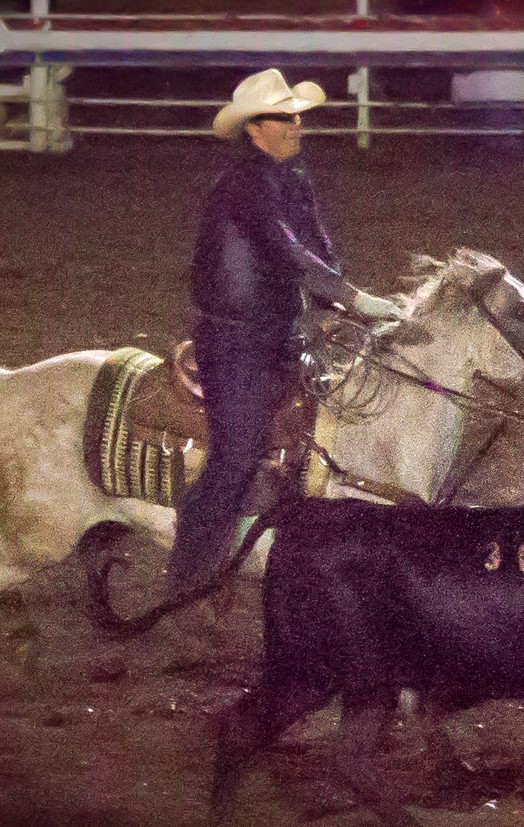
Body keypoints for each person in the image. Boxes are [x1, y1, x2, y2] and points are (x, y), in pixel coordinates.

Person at [165, 68, 403, 594]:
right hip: (233, 343)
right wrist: (356, 300)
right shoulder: (242, 186)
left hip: (280, 333)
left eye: (298, 116)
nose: (298, 125)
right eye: (287, 117)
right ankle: (185, 570)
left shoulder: (290, 178)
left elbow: (316, 249)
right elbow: (286, 252)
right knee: (237, 451)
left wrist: (337, 299)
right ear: (256, 129)